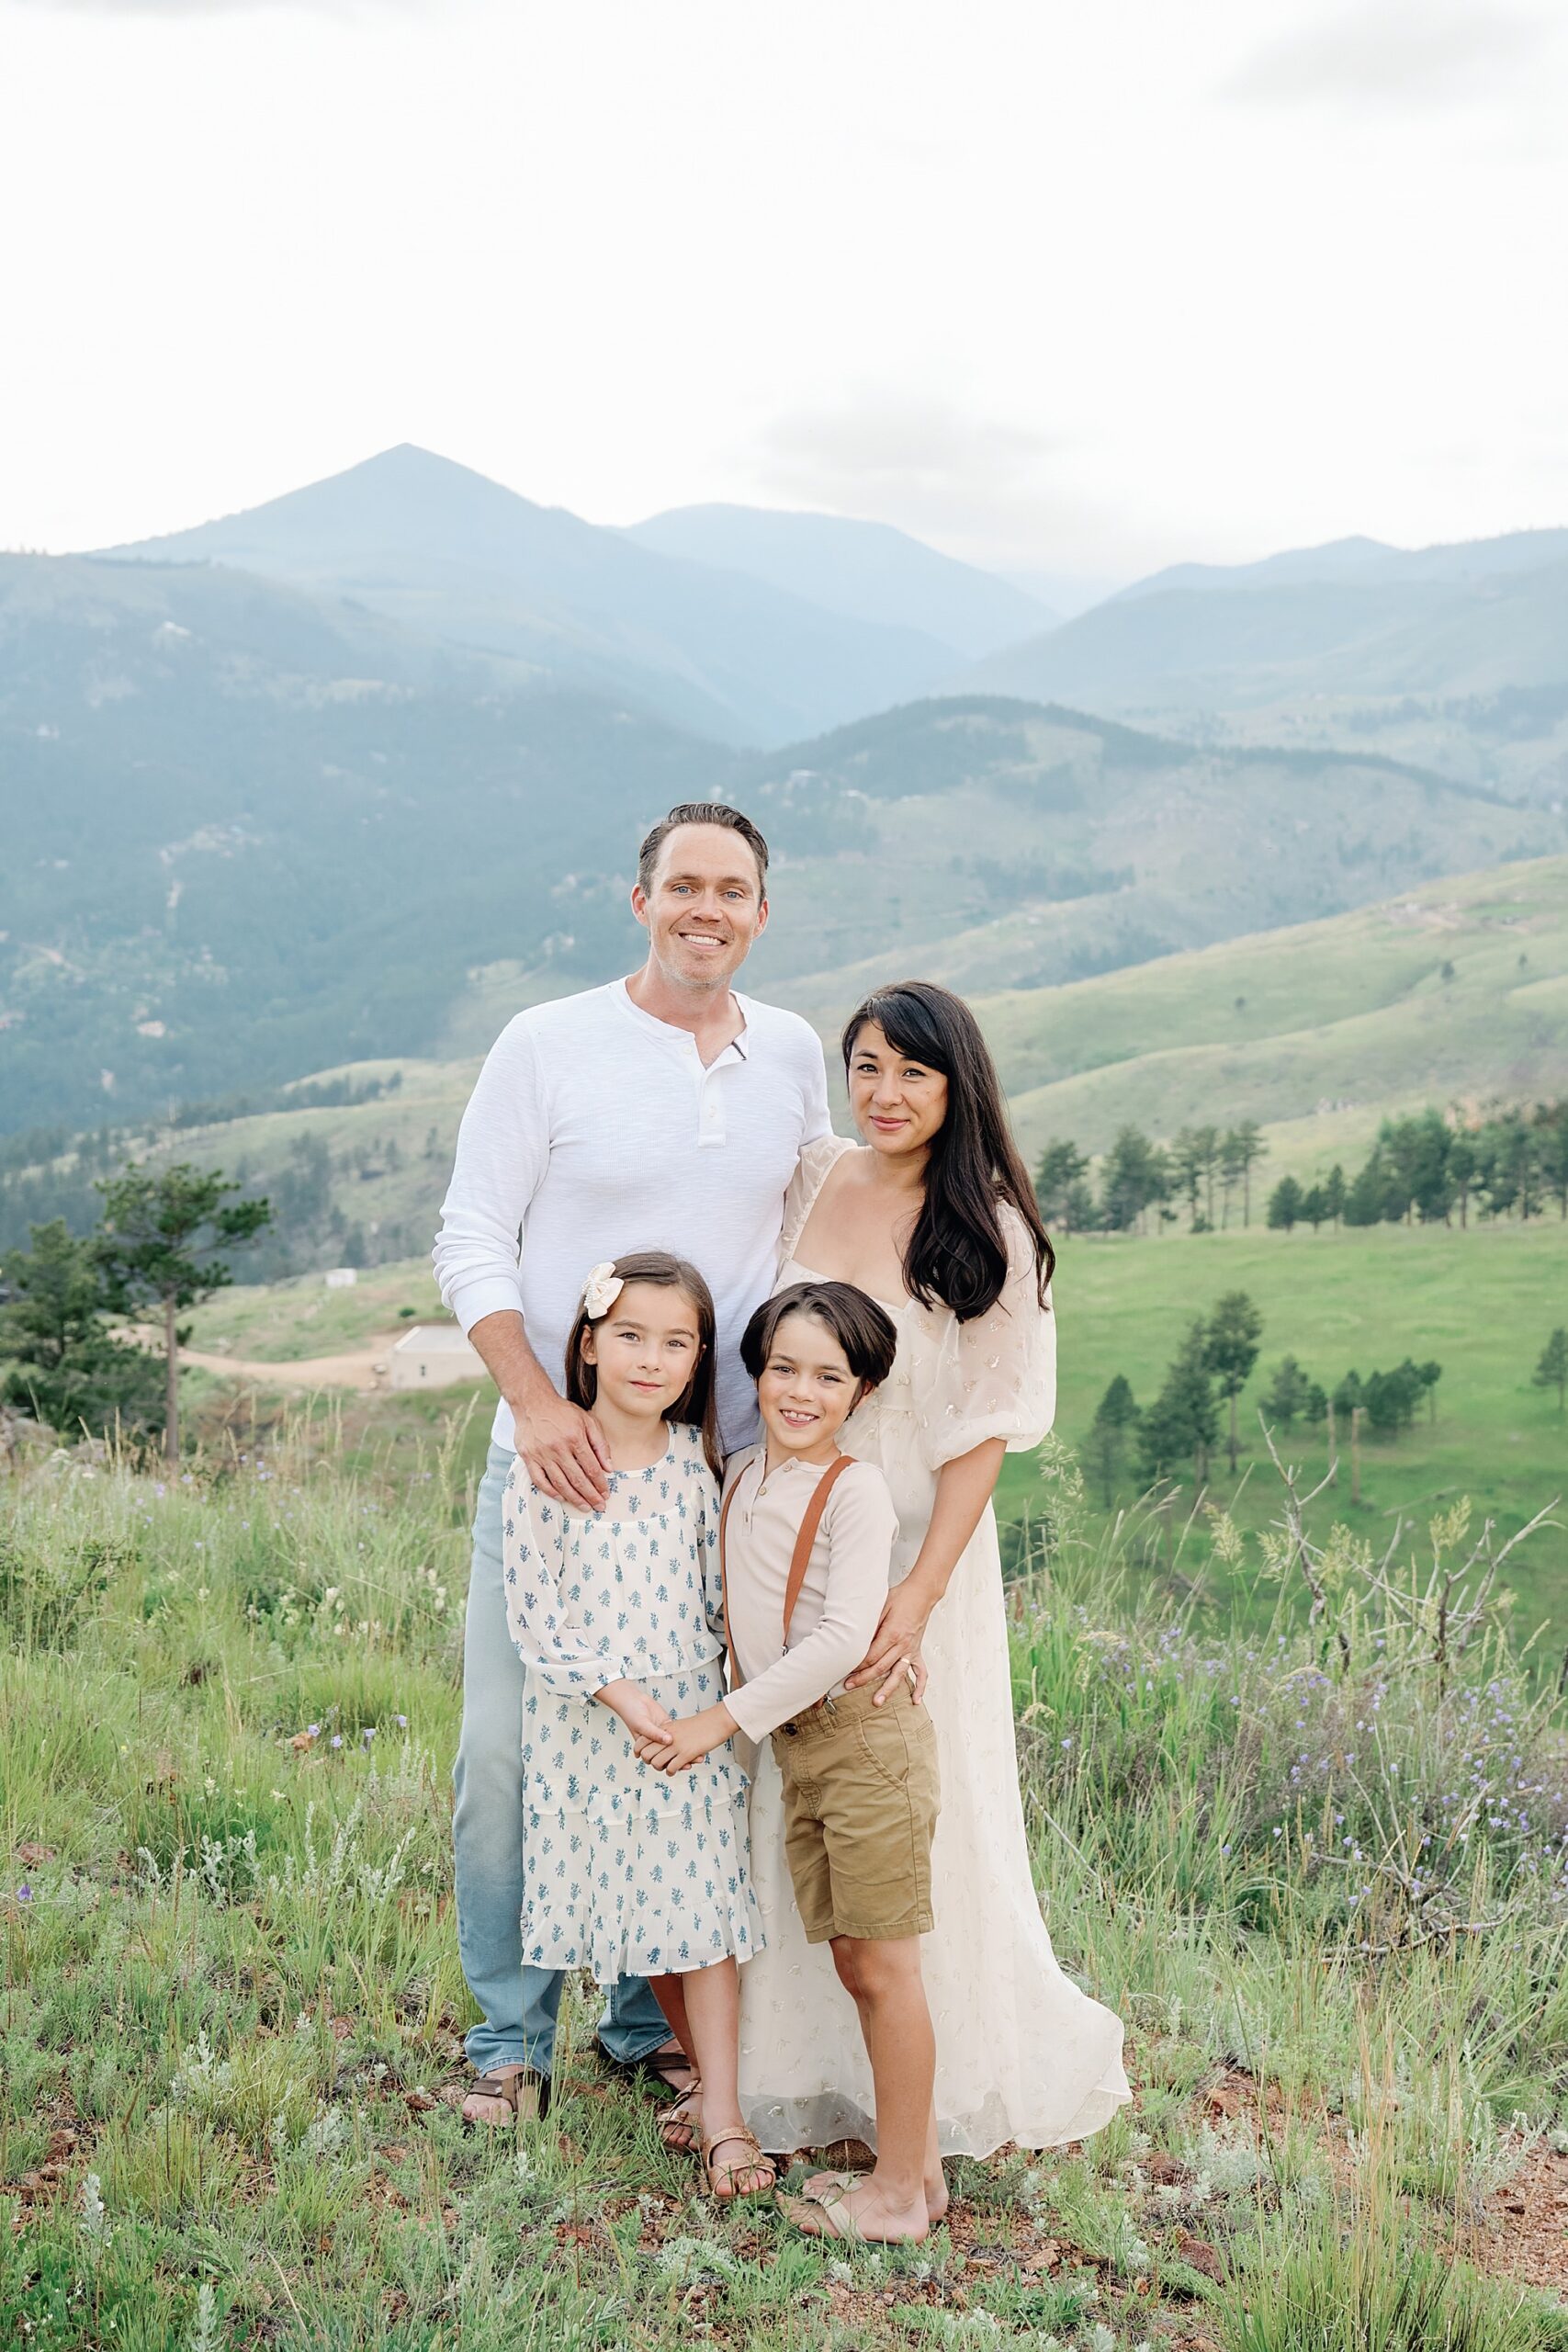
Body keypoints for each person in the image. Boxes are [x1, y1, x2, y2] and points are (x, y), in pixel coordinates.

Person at [432, 801, 830, 2126]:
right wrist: (538, 1403)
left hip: (709, 1482)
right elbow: (472, 1238)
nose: (704, 909)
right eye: (681, 886)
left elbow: (798, 1238)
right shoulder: (545, 1043)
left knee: (680, 1750)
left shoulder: (786, 1053)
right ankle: (506, 2040)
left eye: (731, 890)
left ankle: (636, 2020)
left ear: (760, 913)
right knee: (505, 1756)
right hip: (552, 1466)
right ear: (639, 898)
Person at [738, 979, 1130, 2167]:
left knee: (906, 1814)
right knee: (789, 1804)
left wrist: (915, 1598)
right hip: (786, 1542)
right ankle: (794, 2072)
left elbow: (983, 1436)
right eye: (864, 1067)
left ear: (956, 1084)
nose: (885, 1094)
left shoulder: (989, 1230)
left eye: (911, 1072)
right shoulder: (815, 1177)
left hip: (912, 1564)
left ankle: (930, 2100)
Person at [639, 1280, 944, 2242]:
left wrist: (713, 1722)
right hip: (805, 1753)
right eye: (782, 1369)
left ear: (861, 1391)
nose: (799, 1391)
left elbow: (841, 1635)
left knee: (885, 1964)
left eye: (827, 1374)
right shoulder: (740, 1479)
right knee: (853, 1957)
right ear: (755, 1374)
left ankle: (899, 2196)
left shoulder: (854, 1492)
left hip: (864, 1742)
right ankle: (915, 2168)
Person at [502, 1251, 773, 2198]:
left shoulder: (699, 1473)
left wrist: (715, 1716)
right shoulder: (549, 1470)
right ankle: (699, 2088)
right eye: (630, 1336)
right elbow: (536, 1616)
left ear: (700, 1360)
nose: (651, 1360)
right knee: (639, 1908)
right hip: (591, 1723)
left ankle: (724, 2114)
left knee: (703, 1914)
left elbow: (713, 1607)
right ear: (588, 1343)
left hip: (687, 1726)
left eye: (676, 1343)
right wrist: (620, 1695)